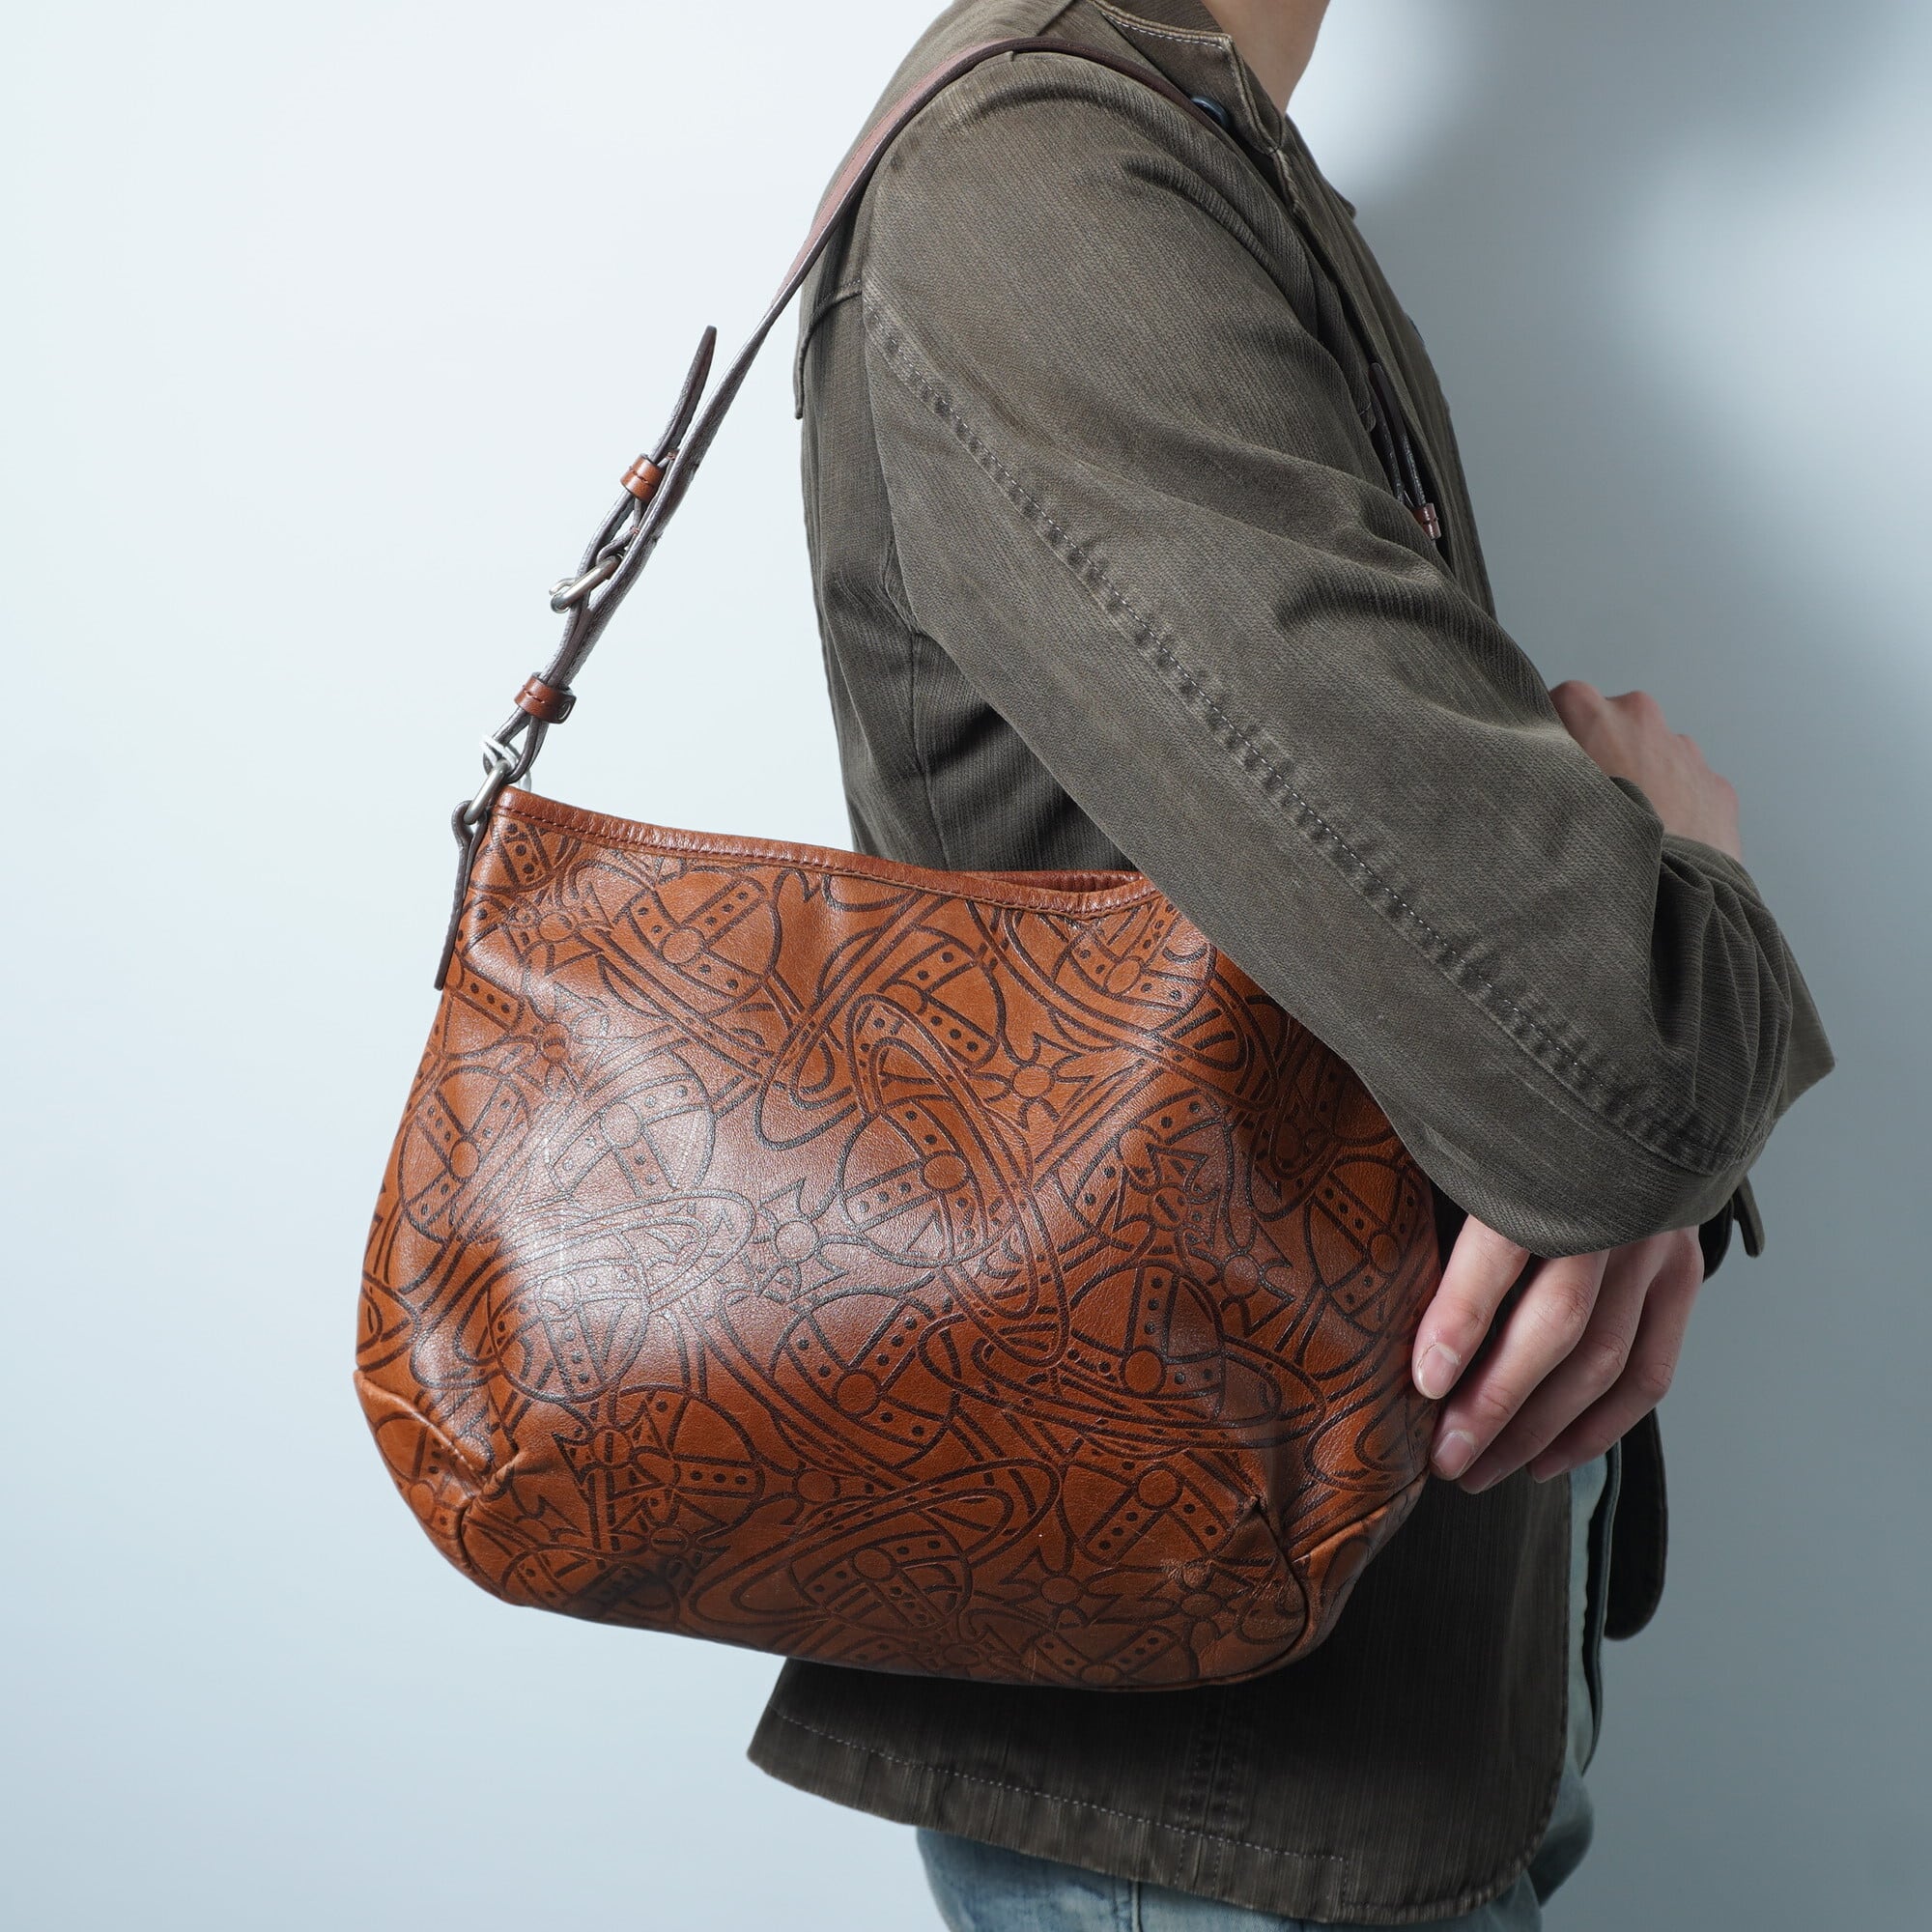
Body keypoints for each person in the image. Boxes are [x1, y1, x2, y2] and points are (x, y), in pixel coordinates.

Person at [747, 1, 1833, 1925]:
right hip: (1217, 1765)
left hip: (1361, 1673)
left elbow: (1525, 1037)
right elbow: (1614, 1057)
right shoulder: (1040, 185)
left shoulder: (1185, 139)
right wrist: (1680, 861)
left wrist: (1610, 1115)